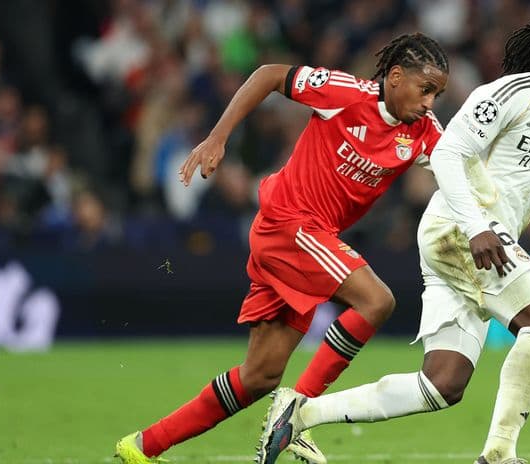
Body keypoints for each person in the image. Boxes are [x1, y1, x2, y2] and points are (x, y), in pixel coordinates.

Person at [255, 4, 530, 464]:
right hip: (461, 230)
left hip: (481, 243)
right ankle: (500, 454)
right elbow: (449, 154)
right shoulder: (511, 93)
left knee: (442, 385)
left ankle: (299, 414)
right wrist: (476, 227)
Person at [114, 32, 449, 464]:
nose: (430, 103)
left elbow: (463, 168)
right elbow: (270, 75)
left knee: (259, 376)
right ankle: (296, 413)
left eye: (437, 94)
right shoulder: (345, 94)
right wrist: (218, 137)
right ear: (396, 76)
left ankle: (142, 447)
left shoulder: (424, 132)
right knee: (377, 300)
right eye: (426, 90)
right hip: (289, 226)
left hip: (307, 239)